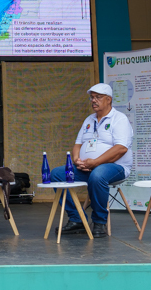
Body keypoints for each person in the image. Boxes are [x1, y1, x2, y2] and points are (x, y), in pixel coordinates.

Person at [50, 83, 133, 238]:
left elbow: (121, 149)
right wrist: (76, 160)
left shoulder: (119, 119)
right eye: (92, 97)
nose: (93, 100)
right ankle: (77, 219)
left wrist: (96, 163)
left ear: (108, 100)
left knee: (98, 175)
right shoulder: (89, 119)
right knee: (56, 174)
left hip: (115, 167)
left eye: (98, 97)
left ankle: (100, 222)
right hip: (88, 167)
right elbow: (77, 144)